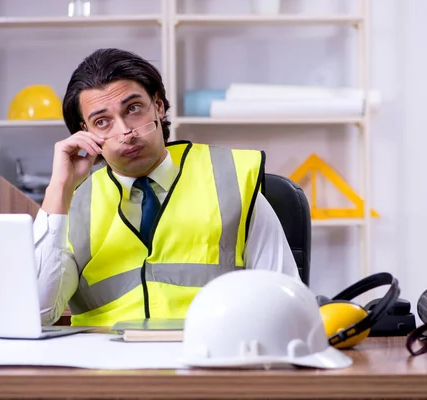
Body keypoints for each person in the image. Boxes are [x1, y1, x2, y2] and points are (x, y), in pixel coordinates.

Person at [33, 48, 299, 327]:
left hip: (212, 357)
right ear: (85, 132)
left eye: (133, 109)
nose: (125, 132)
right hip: (108, 365)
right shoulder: (72, 206)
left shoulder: (232, 179)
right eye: (102, 122)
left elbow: (285, 302)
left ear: (158, 106)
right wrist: (59, 188)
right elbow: (39, 314)